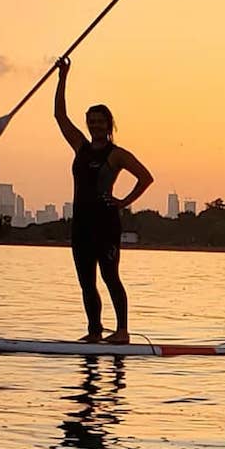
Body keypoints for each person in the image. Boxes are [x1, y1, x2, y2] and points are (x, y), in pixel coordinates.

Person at [54, 57, 154, 344]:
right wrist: (63, 78)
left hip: (106, 225)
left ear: (109, 124)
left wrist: (123, 202)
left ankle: (122, 331)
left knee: (110, 277)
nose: (95, 126)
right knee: (87, 282)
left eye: (100, 122)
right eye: (91, 121)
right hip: (81, 226)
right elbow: (59, 117)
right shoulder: (80, 146)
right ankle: (95, 331)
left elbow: (146, 178)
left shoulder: (117, 154)